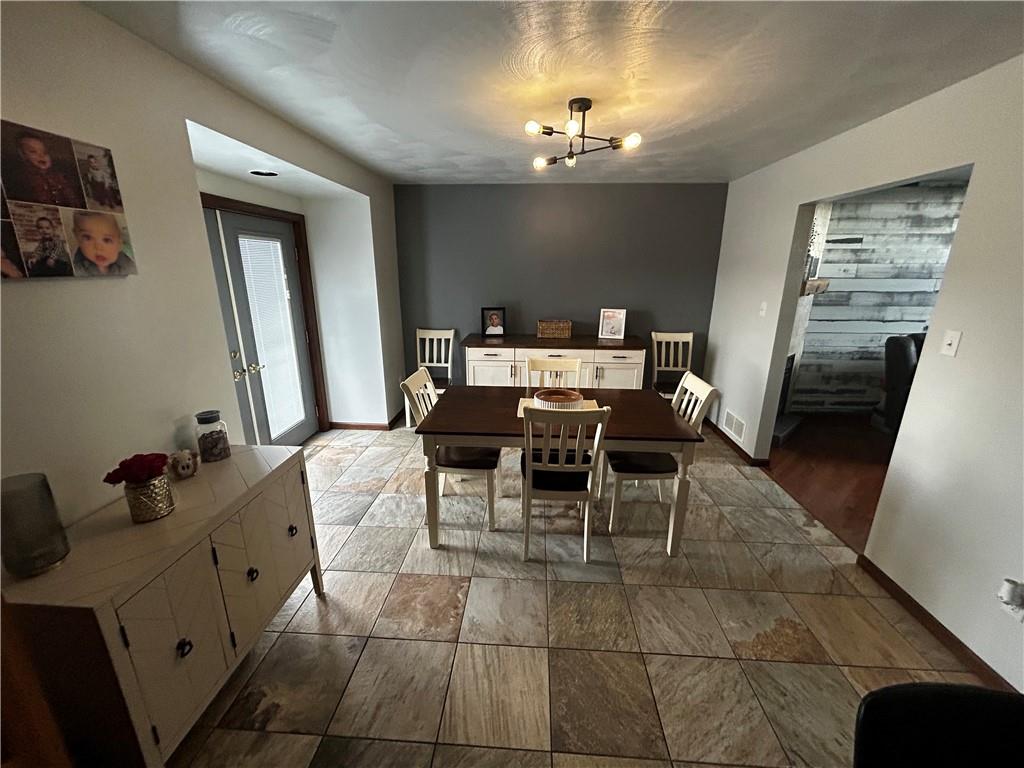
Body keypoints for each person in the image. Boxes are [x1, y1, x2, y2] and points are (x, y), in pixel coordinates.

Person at [6, 131, 85, 208]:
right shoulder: (21, 178)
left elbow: (73, 200)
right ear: (22, 155)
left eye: (44, 152)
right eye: (33, 152)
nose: (41, 156)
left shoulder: (58, 177)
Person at [70, 211, 136, 276]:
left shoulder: (127, 263)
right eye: (88, 237)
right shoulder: (77, 268)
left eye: (107, 240)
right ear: (77, 237)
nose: (98, 247)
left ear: (119, 243)